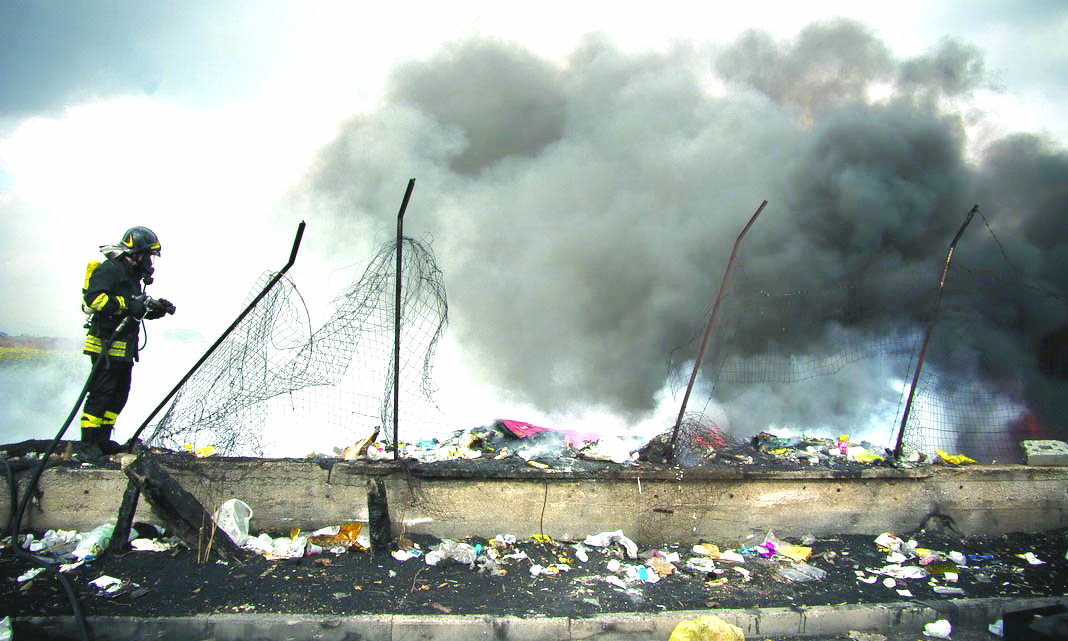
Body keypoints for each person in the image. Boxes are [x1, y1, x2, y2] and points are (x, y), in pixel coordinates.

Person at [80, 226, 174, 454]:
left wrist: (156, 309)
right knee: (101, 394)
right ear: (137, 253)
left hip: (124, 348)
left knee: (119, 394)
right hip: (106, 344)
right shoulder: (111, 269)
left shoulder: (132, 277)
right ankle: (88, 445)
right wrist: (125, 304)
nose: (150, 261)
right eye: (149, 255)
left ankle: (103, 439)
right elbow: (94, 299)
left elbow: (135, 309)